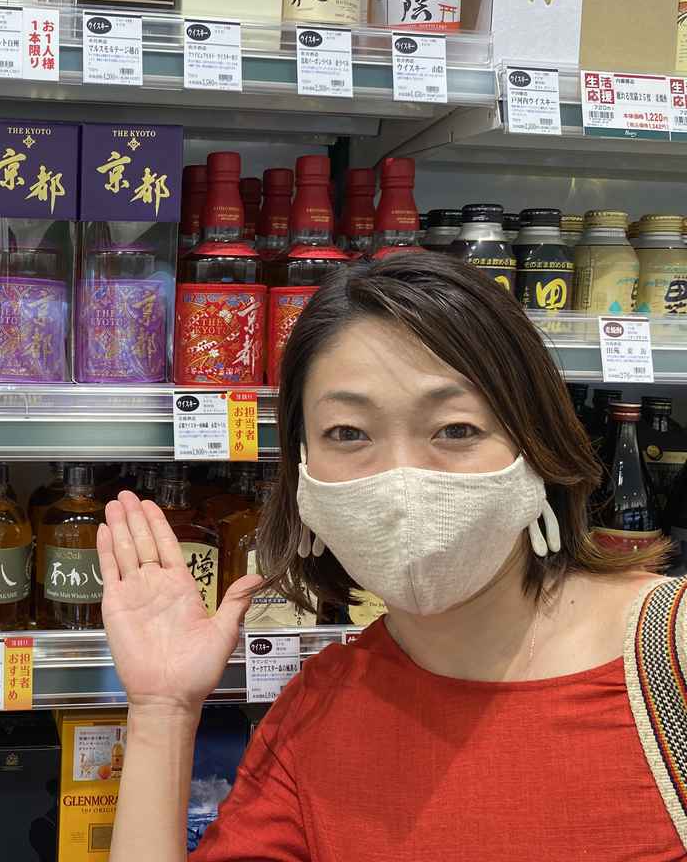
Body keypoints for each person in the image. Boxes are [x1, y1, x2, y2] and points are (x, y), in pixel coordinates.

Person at [99, 252, 679, 861]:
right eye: (348, 433)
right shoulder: (314, 714)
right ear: (302, 472)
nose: (403, 480)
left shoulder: (671, 652)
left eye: (456, 429)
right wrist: (162, 712)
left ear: (535, 444)